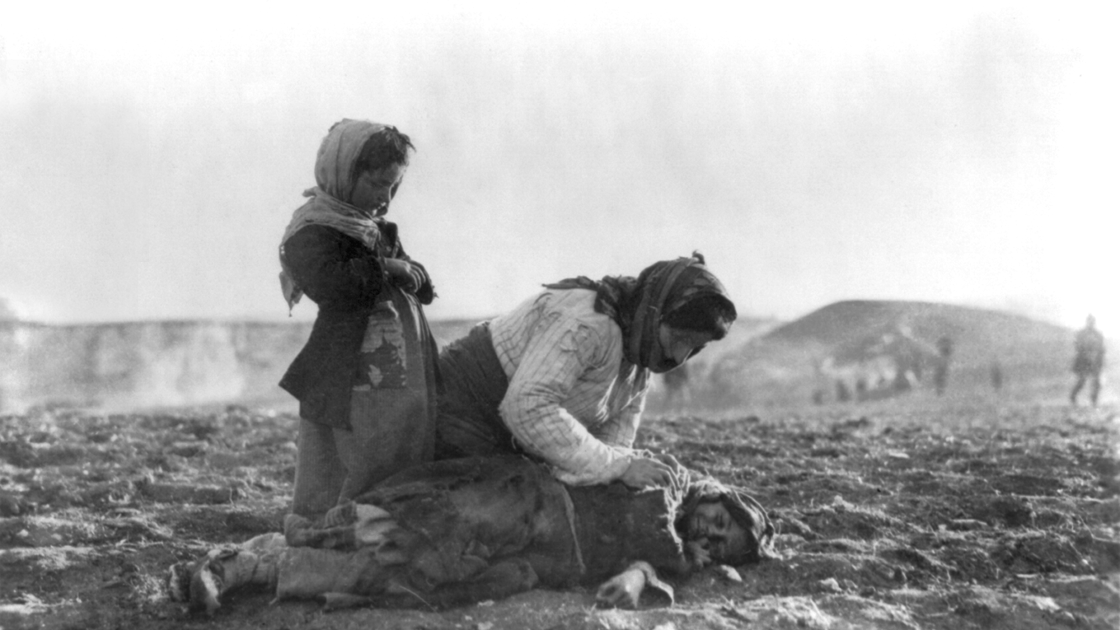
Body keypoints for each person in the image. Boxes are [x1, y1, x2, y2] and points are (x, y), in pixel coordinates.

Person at [167, 455, 775, 614]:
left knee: (414, 580)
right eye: (718, 521)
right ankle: (241, 559)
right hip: (527, 504)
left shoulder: (675, 556)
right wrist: (675, 557)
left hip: (539, 560)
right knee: (411, 530)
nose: (709, 534)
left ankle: (258, 570)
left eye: (722, 543)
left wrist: (648, 574)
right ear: (713, 496)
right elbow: (650, 521)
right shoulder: (669, 482)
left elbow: (646, 568)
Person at [434, 253, 737, 488]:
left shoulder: (639, 363)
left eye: (696, 348)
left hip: (512, 435)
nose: (679, 355)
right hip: (461, 408)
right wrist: (620, 468)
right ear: (656, 311)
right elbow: (527, 407)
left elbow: (612, 445)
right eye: (681, 338)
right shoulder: (588, 322)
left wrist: (632, 469)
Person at [277, 119, 440, 519]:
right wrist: (387, 268)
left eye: (393, 186)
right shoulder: (312, 231)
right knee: (344, 458)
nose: (385, 198)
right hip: (346, 369)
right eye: (376, 184)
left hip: (398, 369)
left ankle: (381, 522)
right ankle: (327, 535)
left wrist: (414, 275)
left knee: (398, 444)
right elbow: (332, 286)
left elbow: (419, 284)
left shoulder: (377, 229)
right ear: (343, 173)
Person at [1070, 315, 1105, 407]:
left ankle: (1094, 401)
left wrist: (1099, 360)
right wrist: (1085, 354)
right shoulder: (1081, 333)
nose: (1091, 324)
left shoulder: (1098, 334)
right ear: (1087, 322)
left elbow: (1102, 349)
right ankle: (1073, 397)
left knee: (1096, 381)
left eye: (1092, 322)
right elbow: (1077, 346)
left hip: (1095, 361)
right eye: (1089, 321)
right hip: (1083, 361)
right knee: (1082, 380)